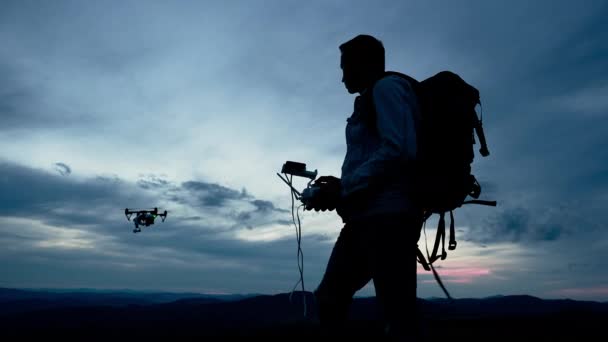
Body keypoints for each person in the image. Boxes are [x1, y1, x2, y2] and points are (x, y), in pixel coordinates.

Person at [305, 34, 424, 340]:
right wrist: (341, 188)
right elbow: (380, 154)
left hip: (389, 219)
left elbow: (399, 150)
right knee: (332, 297)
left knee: (395, 314)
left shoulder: (387, 89)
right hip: (369, 219)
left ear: (365, 63)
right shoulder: (376, 95)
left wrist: (344, 188)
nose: (342, 75)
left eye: (345, 67)